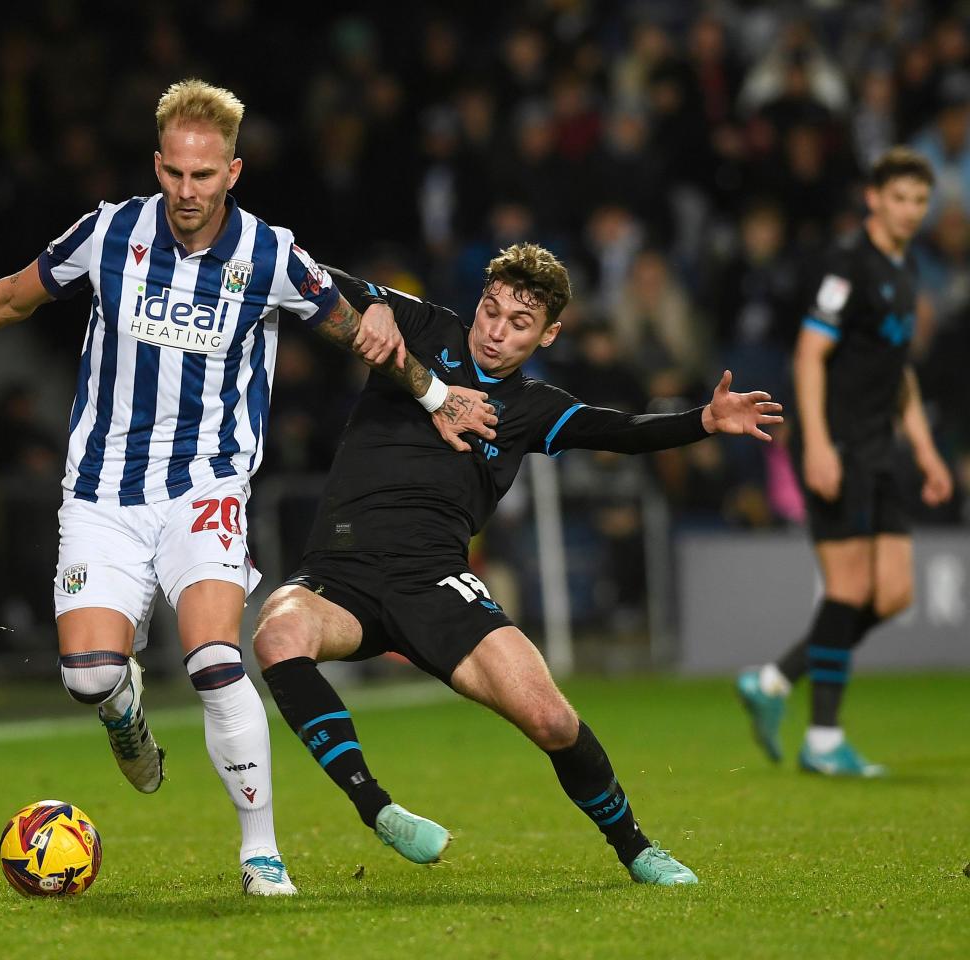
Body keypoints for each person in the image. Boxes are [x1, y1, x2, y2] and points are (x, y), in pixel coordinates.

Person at [0, 79, 495, 896]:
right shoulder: (109, 231)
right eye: (175, 175)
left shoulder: (270, 255)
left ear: (235, 171)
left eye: (205, 176)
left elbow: (356, 332)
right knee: (88, 675)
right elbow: (15, 295)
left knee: (214, 658)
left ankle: (260, 854)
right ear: (157, 165)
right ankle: (123, 715)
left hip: (206, 489)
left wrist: (437, 396)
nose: (188, 193)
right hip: (102, 493)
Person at [253, 245, 782, 885]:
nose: (495, 332)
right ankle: (377, 808)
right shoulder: (425, 326)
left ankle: (637, 849)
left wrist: (702, 420)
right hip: (341, 570)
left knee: (553, 719)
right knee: (277, 634)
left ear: (549, 333)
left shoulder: (534, 407)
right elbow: (305, 270)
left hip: (436, 582)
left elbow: (623, 430)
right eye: (490, 310)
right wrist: (370, 305)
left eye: (518, 323)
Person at [736, 147, 954, 777]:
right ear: (873, 199)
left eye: (920, 200)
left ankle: (776, 678)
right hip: (839, 445)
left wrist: (927, 449)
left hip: (880, 448)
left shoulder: (905, 266)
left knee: (893, 594)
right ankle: (824, 740)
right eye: (900, 198)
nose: (911, 211)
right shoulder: (847, 265)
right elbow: (809, 355)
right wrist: (821, 444)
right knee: (850, 588)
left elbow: (898, 371)